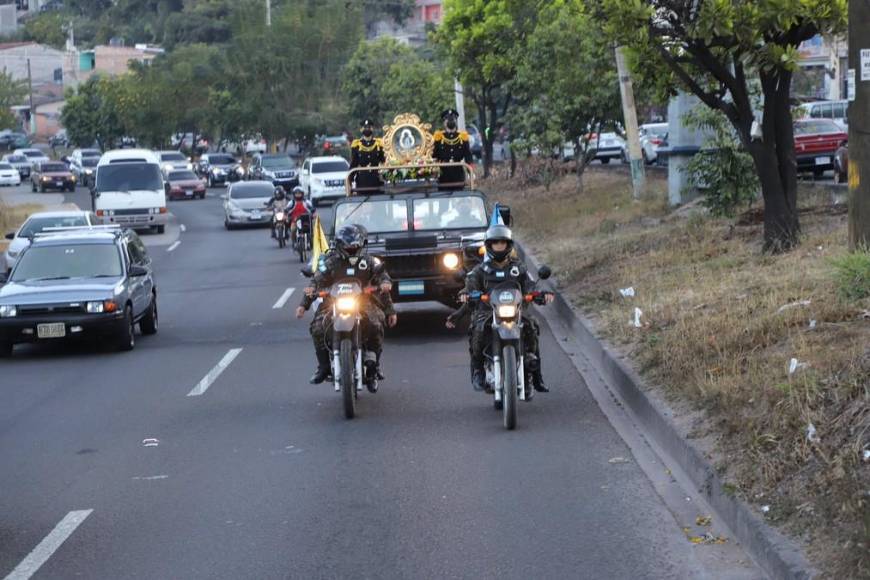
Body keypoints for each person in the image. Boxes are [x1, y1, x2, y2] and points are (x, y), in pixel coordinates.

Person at [450, 224, 553, 393]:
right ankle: (478, 370)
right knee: (477, 329)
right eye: (495, 243)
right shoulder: (481, 270)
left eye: (502, 243)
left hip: (515, 310)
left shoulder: (518, 268)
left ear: (508, 245)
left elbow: (529, 285)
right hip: (487, 311)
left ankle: (536, 375)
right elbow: (469, 286)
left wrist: (540, 294)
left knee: (532, 326)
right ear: (489, 246)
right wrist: (466, 294)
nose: (499, 246)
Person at [296, 224, 398, 387]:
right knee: (317, 328)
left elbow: (383, 278)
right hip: (333, 303)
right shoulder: (329, 261)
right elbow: (315, 282)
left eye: (355, 244)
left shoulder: (370, 261)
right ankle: (323, 367)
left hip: (363, 302)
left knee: (376, 323)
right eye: (347, 244)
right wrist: (304, 304)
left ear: (362, 244)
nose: (351, 247)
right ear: (339, 244)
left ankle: (374, 366)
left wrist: (388, 301)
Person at [433, 108, 473, 190]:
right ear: (444, 122)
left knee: (459, 200)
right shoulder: (439, 138)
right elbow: (434, 155)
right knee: (443, 200)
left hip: (458, 174)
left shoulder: (462, 137)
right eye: (447, 119)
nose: (450, 121)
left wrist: (471, 172)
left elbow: (468, 156)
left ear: (456, 121)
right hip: (443, 175)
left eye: (453, 119)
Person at [350, 119, 386, 193]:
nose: (367, 129)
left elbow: (383, 160)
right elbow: (354, 163)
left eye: (369, 127)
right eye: (365, 127)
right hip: (362, 180)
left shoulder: (378, 143)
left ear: (372, 129)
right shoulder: (356, 144)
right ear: (361, 129)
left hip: (376, 179)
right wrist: (350, 179)